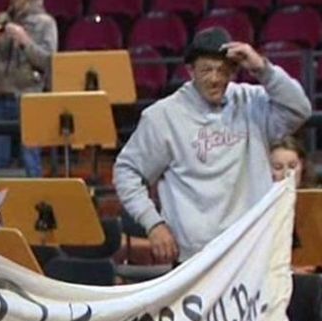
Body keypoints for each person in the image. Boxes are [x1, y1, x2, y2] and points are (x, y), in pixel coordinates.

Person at [113, 27, 312, 264]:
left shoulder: (252, 101)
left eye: (223, 70)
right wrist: (153, 223)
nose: (215, 78)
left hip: (254, 250)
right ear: (190, 71)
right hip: (195, 259)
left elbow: (300, 109)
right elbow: (126, 171)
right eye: (206, 70)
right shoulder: (163, 117)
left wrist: (262, 68)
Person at [0, 0, 57, 177]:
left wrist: (25, 41)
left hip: (29, 97)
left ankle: (33, 204)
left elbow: (49, 62)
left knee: (30, 160)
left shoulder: (45, 22)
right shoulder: (0, 19)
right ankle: (1, 207)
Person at [270, 137, 322, 321]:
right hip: (273, 288)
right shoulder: (253, 209)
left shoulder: (316, 204)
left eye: (292, 166)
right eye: (278, 167)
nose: (286, 174)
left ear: (302, 165)